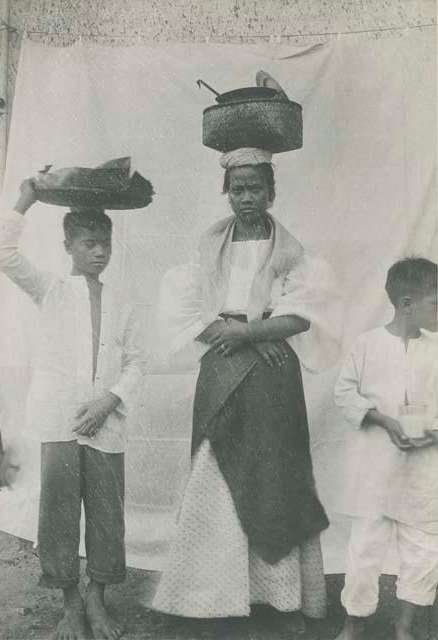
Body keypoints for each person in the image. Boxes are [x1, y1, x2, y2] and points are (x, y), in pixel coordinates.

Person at [149, 147, 342, 639]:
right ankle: (204, 596)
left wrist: (253, 334)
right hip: (223, 366)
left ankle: (281, 598)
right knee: (215, 470)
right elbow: (192, 316)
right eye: (238, 189)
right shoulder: (207, 251)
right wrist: (250, 335)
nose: (247, 197)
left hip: (273, 377)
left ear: (271, 192)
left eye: (256, 187)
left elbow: (301, 316)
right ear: (226, 193)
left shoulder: (292, 253)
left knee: (277, 476)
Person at [0, 180, 146, 640]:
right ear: (69, 247)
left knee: (106, 511)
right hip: (59, 419)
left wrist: (109, 400)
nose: (100, 252)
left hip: (107, 423)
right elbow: (2, 252)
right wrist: (26, 198)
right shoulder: (51, 289)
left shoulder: (123, 302)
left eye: (106, 242)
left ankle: (98, 598)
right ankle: (70, 603)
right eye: (90, 243)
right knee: (59, 511)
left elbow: (139, 362)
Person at [334, 257, 438, 640]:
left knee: (424, 548)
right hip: (375, 465)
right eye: (435, 303)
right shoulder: (367, 345)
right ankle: (354, 622)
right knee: (364, 549)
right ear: (407, 303)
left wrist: (433, 434)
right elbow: (344, 393)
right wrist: (383, 419)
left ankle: (405, 624)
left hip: (424, 468)